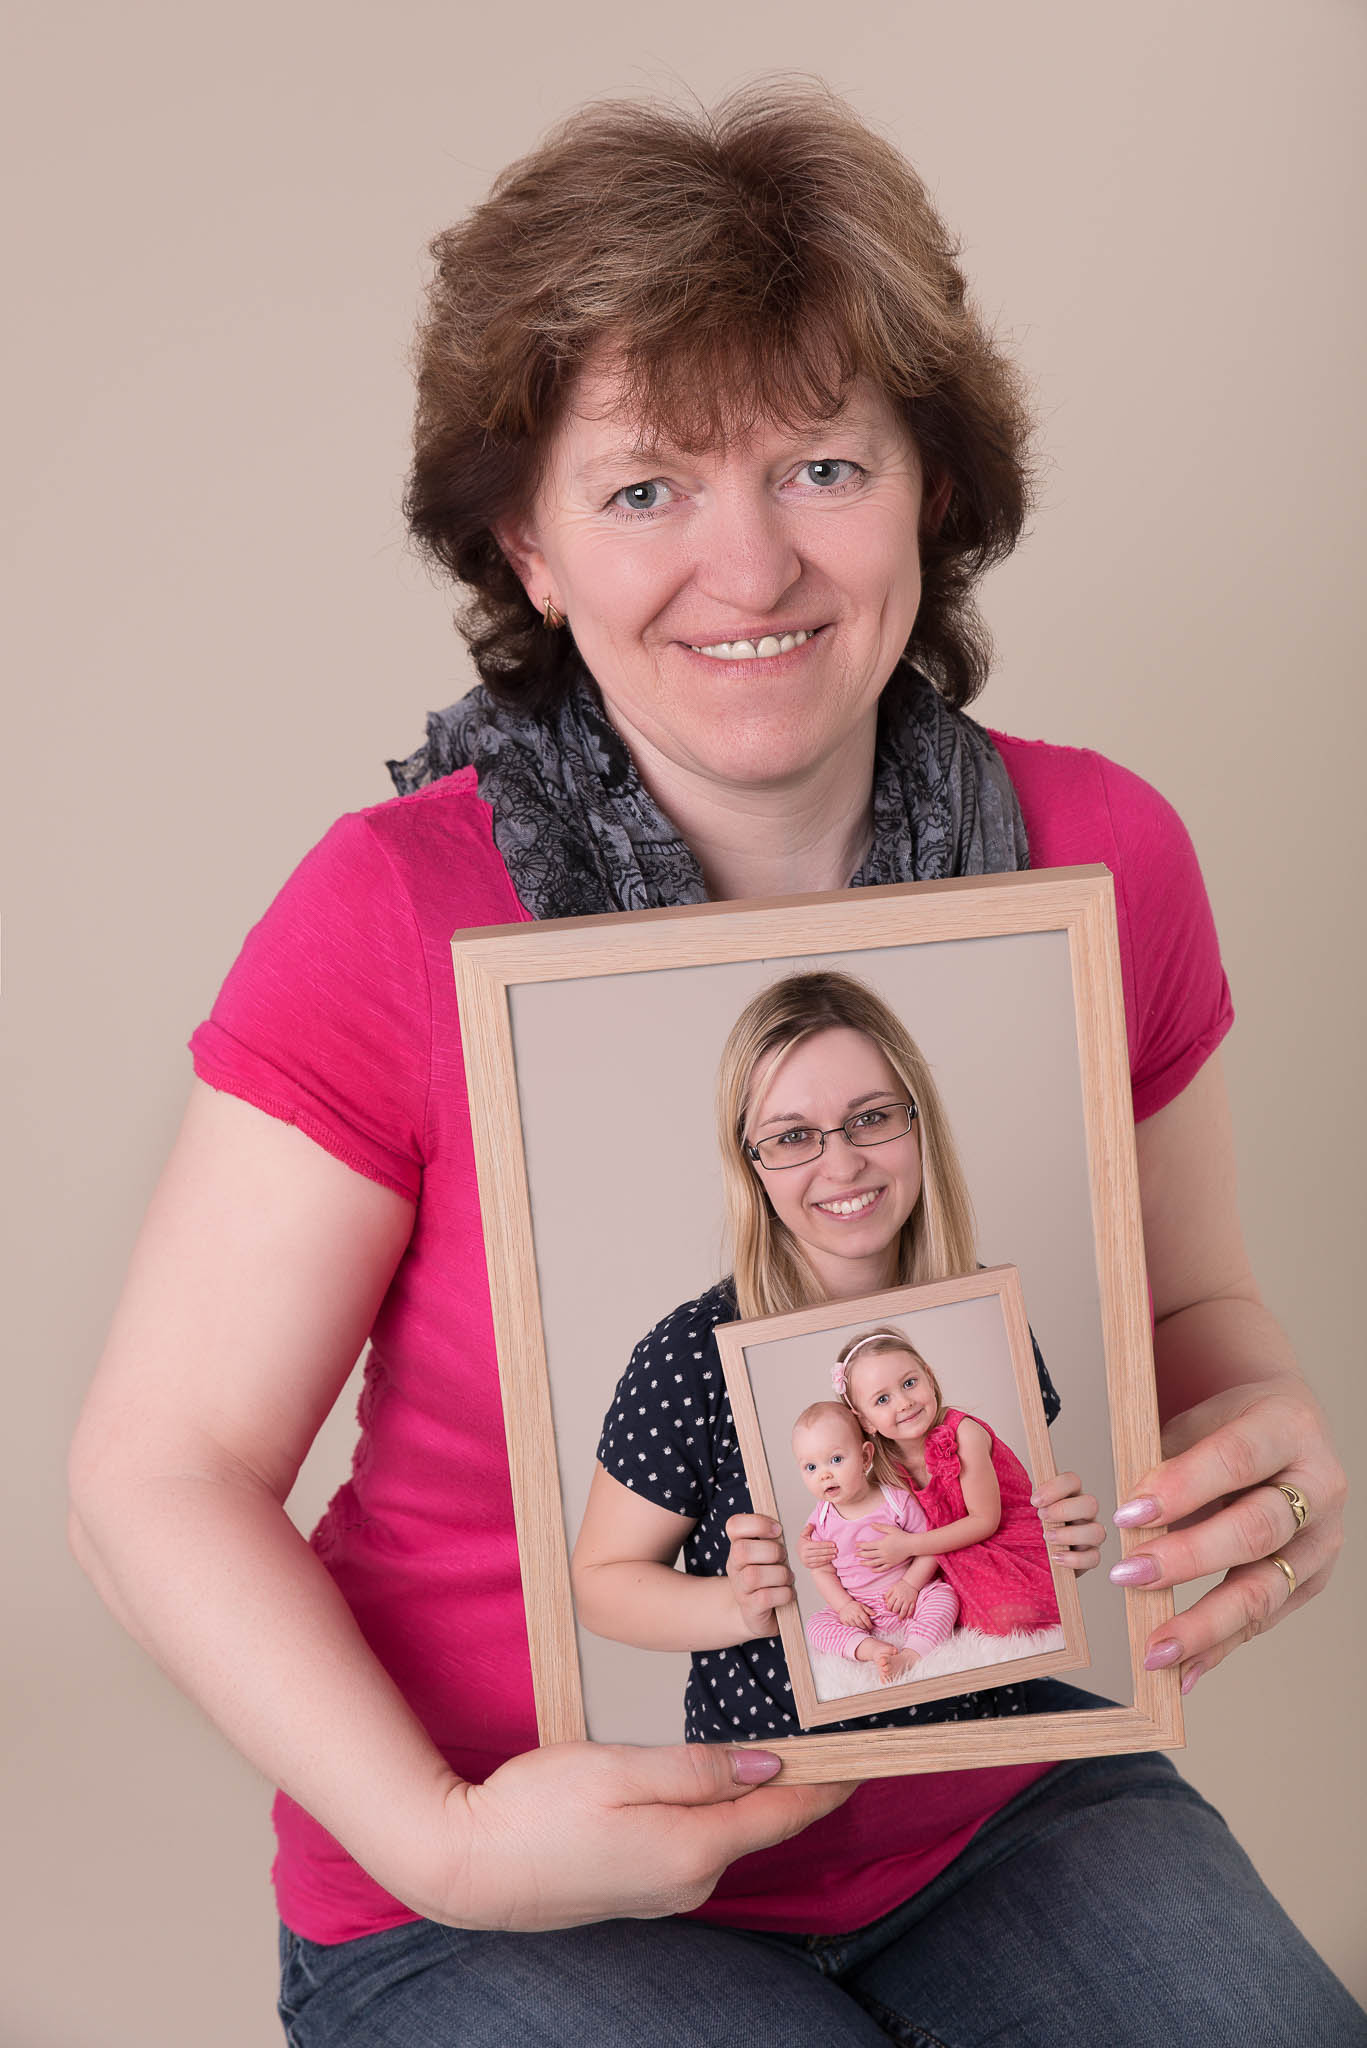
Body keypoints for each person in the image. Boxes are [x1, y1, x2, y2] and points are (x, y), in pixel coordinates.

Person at [66, 78, 1360, 2047]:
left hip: (1000, 1800)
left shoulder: (1103, 859)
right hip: (507, 1879)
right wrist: (444, 1843)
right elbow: (153, 1478)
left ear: (931, 488)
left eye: (820, 465)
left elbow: (1182, 1312)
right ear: (526, 544)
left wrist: (1255, 1438)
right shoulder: (389, 913)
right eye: (645, 489)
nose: (748, 571)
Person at [575, 967, 1085, 1743]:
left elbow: (992, 1523)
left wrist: (1055, 1541)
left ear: (917, 1124)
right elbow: (600, 1586)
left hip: (999, 1744)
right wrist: (738, 1604)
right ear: (750, 1162)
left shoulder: (988, 1309)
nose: (842, 1165)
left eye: (870, 1118)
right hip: (791, 1775)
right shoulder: (688, 1355)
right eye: (791, 1137)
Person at [827, 1327, 1062, 1636]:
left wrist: (908, 1545)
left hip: (1005, 1540)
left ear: (929, 1377)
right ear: (865, 1420)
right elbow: (855, 1507)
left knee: (1008, 1616)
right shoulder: (887, 1464)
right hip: (945, 1551)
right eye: (883, 1399)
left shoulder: (964, 1434)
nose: (903, 1403)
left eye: (909, 1383)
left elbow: (985, 1521)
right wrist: (813, 1544)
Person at [792, 1399, 960, 1686]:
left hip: (907, 1597)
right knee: (816, 1625)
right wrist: (845, 1606)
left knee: (944, 1597)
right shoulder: (821, 1521)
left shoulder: (896, 1501)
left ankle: (912, 1654)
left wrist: (910, 1586)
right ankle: (872, 1650)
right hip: (862, 1609)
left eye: (836, 1459)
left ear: (865, 1457)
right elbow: (822, 1571)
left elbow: (929, 1547)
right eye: (810, 1467)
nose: (824, 1474)